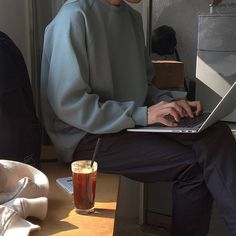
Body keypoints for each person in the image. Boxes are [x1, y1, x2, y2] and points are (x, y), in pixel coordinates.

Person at [40, 0, 236, 235]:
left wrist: (169, 103)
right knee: (193, 167)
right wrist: (141, 114)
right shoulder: (74, 16)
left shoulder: (132, 18)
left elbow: (145, 85)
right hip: (86, 137)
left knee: (216, 132)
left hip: (128, 124)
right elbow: (70, 105)